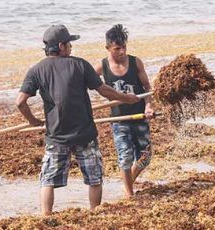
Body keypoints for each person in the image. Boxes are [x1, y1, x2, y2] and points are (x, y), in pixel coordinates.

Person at [16, 24, 139, 215]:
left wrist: (33, 120)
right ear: (61, 46)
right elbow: (104, 91)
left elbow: (20, 103)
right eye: (69, 44)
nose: (71, 48)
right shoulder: (79, 64)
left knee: (48, 180)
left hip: (56, 135)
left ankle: (46, 216)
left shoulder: (36, 70)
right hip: (85, 135)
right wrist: (127, 98)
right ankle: (94, 213)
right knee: (95, 178)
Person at [93, 24, 154, 199]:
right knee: (125, 157)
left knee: (146, 157)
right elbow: (86, 83)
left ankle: (128, 182)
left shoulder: (135, 62)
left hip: (139, 116)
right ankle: (129, 194)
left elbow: (147, 88)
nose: (122, 51)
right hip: (119, 120)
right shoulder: (101, 66)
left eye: (124, 47)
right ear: (108, 48)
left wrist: (149, 106)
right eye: (117, 48)